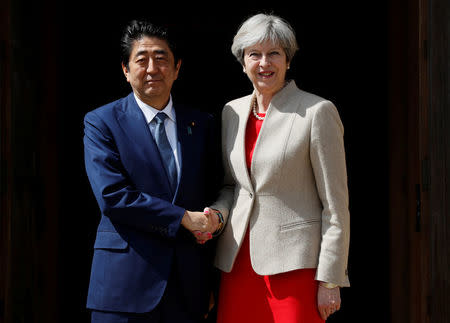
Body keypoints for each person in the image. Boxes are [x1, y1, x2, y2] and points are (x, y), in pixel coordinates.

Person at [206, 13, 351, 322]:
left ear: (288, 59)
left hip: (295, 269)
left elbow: (335, 206)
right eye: (254, 54)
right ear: (242, 61)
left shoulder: (317, 112)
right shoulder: (231, 111)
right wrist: (216, 213)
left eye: (274, 53)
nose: (264, 63)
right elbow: (234, 186)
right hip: (237, 264)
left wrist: (330, 279)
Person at [83, 20, 222, 323]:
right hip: (124, 289)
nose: (152, 68)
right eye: (141, 59)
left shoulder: (202, 124)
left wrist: (212, 281)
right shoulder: (102, 122)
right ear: (125, 69)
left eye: (161, 59)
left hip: (188, 291)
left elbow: (214, 191)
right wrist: (183, 218)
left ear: (177, 68)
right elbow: (113, 197)